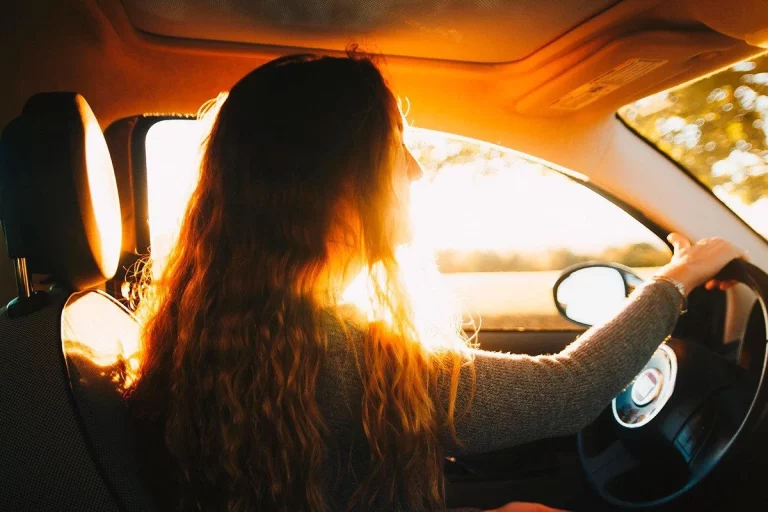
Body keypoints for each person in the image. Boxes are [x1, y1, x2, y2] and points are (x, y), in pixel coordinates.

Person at [126, 53, 745, 512]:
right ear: (331, 186)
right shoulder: (340, 358)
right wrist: (679, 275)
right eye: (393, 151)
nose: (416, 171)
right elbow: (571, 390)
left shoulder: (223, 333)